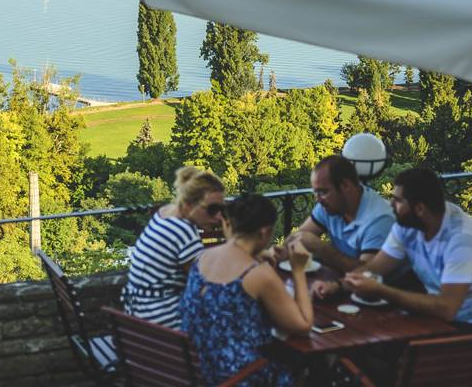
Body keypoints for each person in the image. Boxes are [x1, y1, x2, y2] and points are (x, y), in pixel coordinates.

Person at [316, 168, 472, 325]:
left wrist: (381, 290)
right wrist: (338, 285)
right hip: (446, 322)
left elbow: (447, 308)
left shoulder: (462, 239)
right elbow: (374, 268)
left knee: (379, 352)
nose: (391, 206)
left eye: (397, 201)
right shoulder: (408, 225)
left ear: (419, 208)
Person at [180, 194, 313, 387]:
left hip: (200, 367)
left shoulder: (202, 258)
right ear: (265, 231)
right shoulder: (258, 275)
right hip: (240, 376)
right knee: (310, 363)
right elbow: (302, 326)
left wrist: (256, 254)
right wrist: (298, 269)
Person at [122, 166, 226, 329]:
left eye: (221, 209)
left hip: (137, 313)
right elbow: (204, 287)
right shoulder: (183, 231)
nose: (219, 216)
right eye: (212, 209)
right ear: (189, 204)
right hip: (163, 321)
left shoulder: (164, 214)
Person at [274, 155, 395, 274]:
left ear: (345, 186)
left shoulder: (379, 220)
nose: (318, 199)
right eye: (316, 193)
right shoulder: (330, 205)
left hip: (382, 287)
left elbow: (367, 273)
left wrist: (322, 249)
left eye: (323, 192)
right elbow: (300, 236)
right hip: (341, 277)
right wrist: (280, 251)